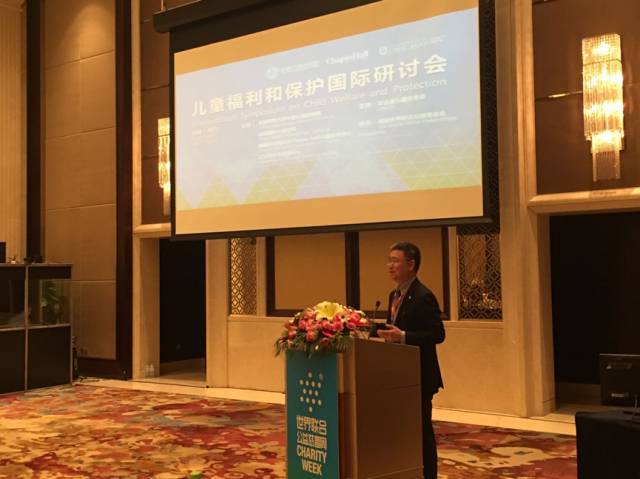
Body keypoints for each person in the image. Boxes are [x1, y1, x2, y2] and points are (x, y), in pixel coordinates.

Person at [377, 241, 445, 479]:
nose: (390, 266)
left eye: (395, 261)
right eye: (389, 260)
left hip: (420, 375)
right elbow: (396, 327)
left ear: (411, 264)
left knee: (422, 431)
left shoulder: (423, 296)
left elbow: (437, 334)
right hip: (400, 374)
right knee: (404, 430)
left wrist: (404, 336)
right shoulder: (394, 295)